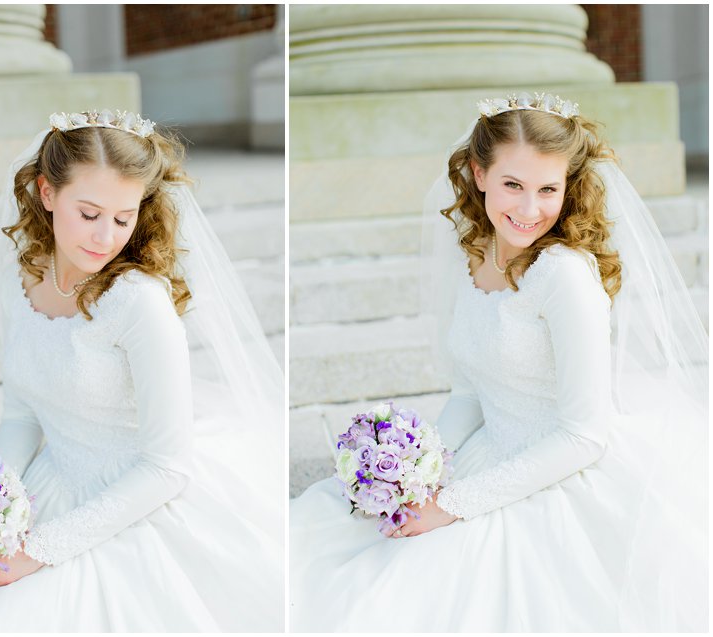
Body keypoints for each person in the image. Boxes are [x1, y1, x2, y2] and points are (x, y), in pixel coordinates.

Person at [289, 93, 708, 631]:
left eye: (547, 189)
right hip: (490, 451)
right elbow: (469, 393)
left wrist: (452, 504)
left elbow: (584, 436)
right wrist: (420, 471)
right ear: (477, 172)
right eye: (513, 185)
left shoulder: (564, 276)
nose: (529, 210)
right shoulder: (478, 253)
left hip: (560, 475)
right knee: (328, 538)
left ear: (567, 187)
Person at [0, 110, 284, 631]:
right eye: (88, 214)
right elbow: (21, 412)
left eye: (123, 217)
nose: (106, 237)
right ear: (47, 194)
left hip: (137, 502)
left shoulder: (138, 305)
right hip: (52, 480)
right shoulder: (22, 278)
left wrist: (37, 550)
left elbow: (166, 469)